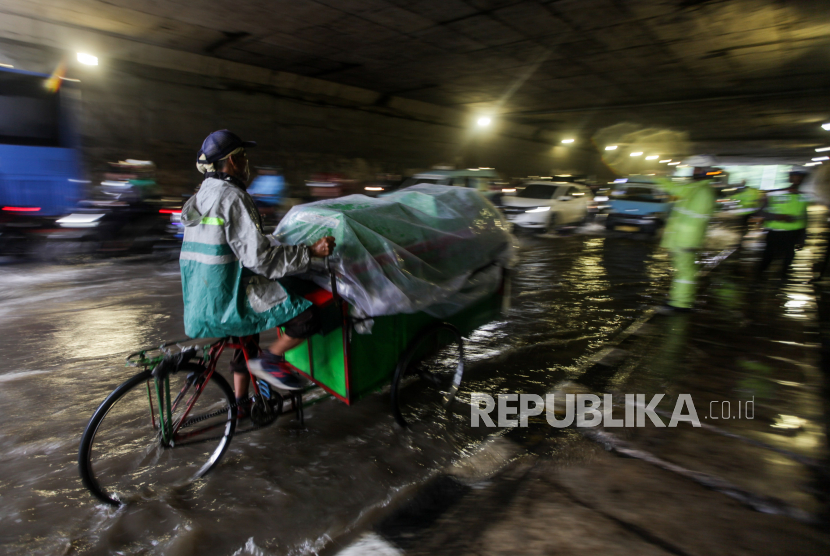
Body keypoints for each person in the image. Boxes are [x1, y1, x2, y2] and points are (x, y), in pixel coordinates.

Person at [180, 130, 335, 413]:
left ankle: (239, 404)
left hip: (201, 301)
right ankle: (271, 359)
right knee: (308, 316)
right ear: (232, 161)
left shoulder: (201, 196)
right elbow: (260, 259)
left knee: (246, 337)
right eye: (243, 156)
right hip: (227, 301)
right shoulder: (233, 197)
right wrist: (310, 252)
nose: (247, 162)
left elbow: (233, 246)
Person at [654, 156, 717, 313]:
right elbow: (676, 189)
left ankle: (680, 303)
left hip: (685, 239)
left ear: (704, 171)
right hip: (682, 238)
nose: (693, 172)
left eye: (696, 169)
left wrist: (685, 241)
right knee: (682, 271)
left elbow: (693, 220)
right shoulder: (697, 188)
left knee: (685, 272)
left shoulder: (703, 192)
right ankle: (678, 298)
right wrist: (659, 177)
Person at [756, 167, 810, 280]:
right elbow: (761, 212)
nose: (798, 179)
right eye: (795, 176)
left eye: (801, 177)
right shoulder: (773, 194)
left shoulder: (805, 196)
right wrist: (779, 217)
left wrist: (802, 239)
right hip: (775, 234)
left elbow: (805, 217)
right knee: (768, 258)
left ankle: (782, 281)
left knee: (788, 259)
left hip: (794, 234)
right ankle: (757, 279)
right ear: (790, 178)